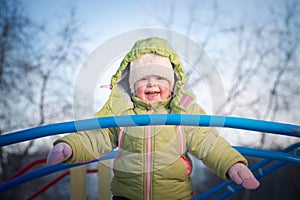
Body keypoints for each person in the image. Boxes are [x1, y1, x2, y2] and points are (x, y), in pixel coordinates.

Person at [47, 37, 259, 200]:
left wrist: (233, 165)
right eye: (143, 78)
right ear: (130, 85)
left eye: (159, 77)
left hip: (175, 196)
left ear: (173, 82)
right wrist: (70, 146)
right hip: (126, 196)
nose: (151, 84)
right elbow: (97, 135)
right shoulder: (122, 112)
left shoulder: (183, 113)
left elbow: (208, 143)